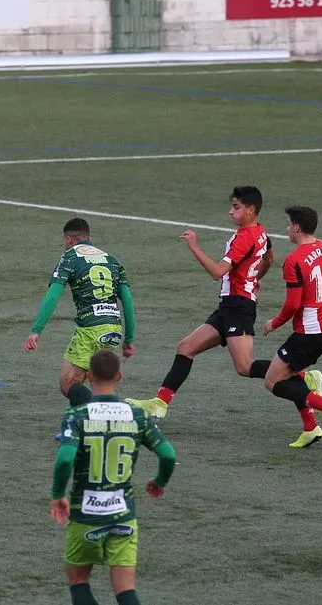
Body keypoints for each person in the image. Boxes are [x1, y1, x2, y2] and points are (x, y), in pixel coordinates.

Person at [126, 186, 272, 419]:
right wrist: (254, 278)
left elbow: (217, 272)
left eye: (236, 207)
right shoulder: (261, 232)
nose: (230, 212)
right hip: (229, 306)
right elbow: (268, 258)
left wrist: (194, 246)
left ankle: (304, 378)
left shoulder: (244, 238)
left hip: (238, 307)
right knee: (186, 348)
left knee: (244, 367)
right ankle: (160, 403)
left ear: (251, 210)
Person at [50, 350, 176, 605]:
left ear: (88, 376)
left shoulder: (78, 416)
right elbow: (168, 455)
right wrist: (159, 482)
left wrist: (57, 495)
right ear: (119, 375)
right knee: (125, 590)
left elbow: (64, 460)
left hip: (86, 515)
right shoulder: (137, 416)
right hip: (123, 516)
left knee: (78, 580)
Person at [255, 206, 322, 448]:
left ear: (297, 227)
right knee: (289, 374)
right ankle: (310, 428)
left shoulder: (294, 260)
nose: (287, 228)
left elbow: (293, 304)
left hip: (310, 333)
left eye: (288, 224)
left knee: (273, 382)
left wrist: (273, 323)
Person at [25, 218, 135, 398]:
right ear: (89, 237)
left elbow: (52, 296)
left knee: (68, 384)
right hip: (113, 329)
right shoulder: (112, 260)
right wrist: (128, 340)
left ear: (68, 239)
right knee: (98, 383)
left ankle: (112, 409)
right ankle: (96, 420)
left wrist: (36, 330)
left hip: (89, 330)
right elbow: (128, 301)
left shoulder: (69, 258)